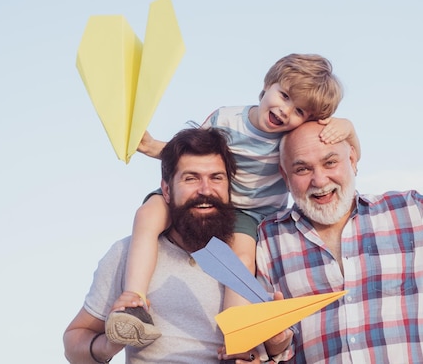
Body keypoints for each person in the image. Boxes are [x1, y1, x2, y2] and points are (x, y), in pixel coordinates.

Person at [105, 54, 361, 347]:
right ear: (267, 86)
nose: (286, 110)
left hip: (251, 213)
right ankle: (134, 302)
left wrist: (349, 127)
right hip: (206, 194)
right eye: (285, 96)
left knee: (240, 258)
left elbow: (350, 153)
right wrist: (153, 147)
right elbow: (192, 156)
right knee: (147, 215)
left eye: (300, 110)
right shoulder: (225, 119)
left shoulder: (290, 138)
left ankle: (236, 332)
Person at [256, 89, 423, 363]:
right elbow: (265, 349)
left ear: (351, 160)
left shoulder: (408, 212)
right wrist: (274, 344)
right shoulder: (268, 241)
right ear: (285, 176)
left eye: (330, 162)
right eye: (302, 169)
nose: (320, 180)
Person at [63, 127, 292, 363]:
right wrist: (109, 344)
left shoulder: (257, 256)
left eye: (216, 178)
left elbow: (271, 349)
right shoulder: (127, 254)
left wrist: (263, 351)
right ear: (166, 190)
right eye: (191, 178)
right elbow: (73, 342)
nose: (205, 190)